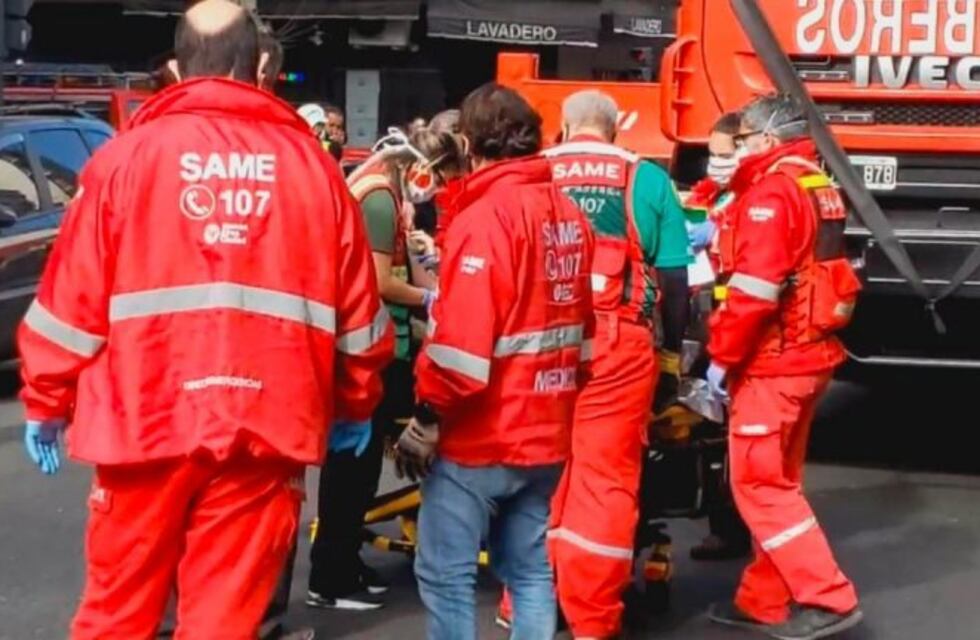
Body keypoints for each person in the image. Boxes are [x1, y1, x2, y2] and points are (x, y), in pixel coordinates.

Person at [18, 2, 392, 637]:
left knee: (116, 615)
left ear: (171, 67)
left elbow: (68, 302)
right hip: (264, 431)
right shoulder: (316, 173)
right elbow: (360, 316)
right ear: (265, 67)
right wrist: (355, 405)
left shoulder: (121, 162)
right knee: (222, 620)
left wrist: (46, 399)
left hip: (142, 425)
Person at [397, 83, 595, 640]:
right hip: (546, 430)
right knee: (530, 571)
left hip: (483, 437)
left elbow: (460, 354)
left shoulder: (485, 220)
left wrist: (426, 421)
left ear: (467, 141)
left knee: (446, 575)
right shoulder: (569, 216)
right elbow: (585, 334)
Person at [706, 94, 863, 639]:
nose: (738, 147)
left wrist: (720, 359)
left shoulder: (772, 192)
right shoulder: (818, 184)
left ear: (767, 139)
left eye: (745, 137)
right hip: (812, 354)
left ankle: (828, 597)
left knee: (758, 485)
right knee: (780, 480)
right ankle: (764, 599)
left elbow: (752, 293)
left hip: (775, 359)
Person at [543, 89, 693, 640]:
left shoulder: (536, 171)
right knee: (604, 481)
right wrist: (672, 358)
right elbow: (675, 282)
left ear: (562, 128)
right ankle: (593, 616)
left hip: (539, 345)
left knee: (539, 474)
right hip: (615, 347)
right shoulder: (646, 179)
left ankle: (529, 600)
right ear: (614, 131)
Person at [306, 124, 467, 611]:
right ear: (420, 167)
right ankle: (331, 576)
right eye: (439, 179)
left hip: (374, 346)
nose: (436, 189)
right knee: (351, 473)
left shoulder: (387, 194)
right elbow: (376, 282)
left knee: (359, 471)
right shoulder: (377, 198)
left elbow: (398, 267)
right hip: (367, 352)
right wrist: (432, 299)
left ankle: (344, 561)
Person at [685, 112, 753, 563]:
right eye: (711, 154)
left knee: (734, 436)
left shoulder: (752, 200)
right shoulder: (710, 195)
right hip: (706, 317)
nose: (716, 162)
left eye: (725, 154)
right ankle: (722, 524)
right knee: (707, 428)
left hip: (737, 327)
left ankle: (733, 528)